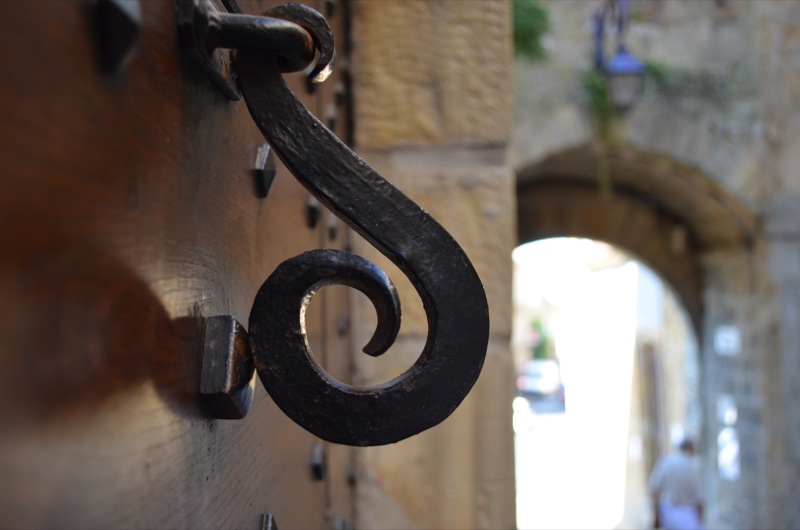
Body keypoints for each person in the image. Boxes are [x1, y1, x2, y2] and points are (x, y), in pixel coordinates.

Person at [648, 438, 704, 529]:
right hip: (687, 517)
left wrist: (656, 514)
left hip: (667, 514)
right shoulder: (693, 466)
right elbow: (699, 500)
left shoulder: (665, 461)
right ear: (691, 450)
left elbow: (654, 489)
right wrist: (701, 521)